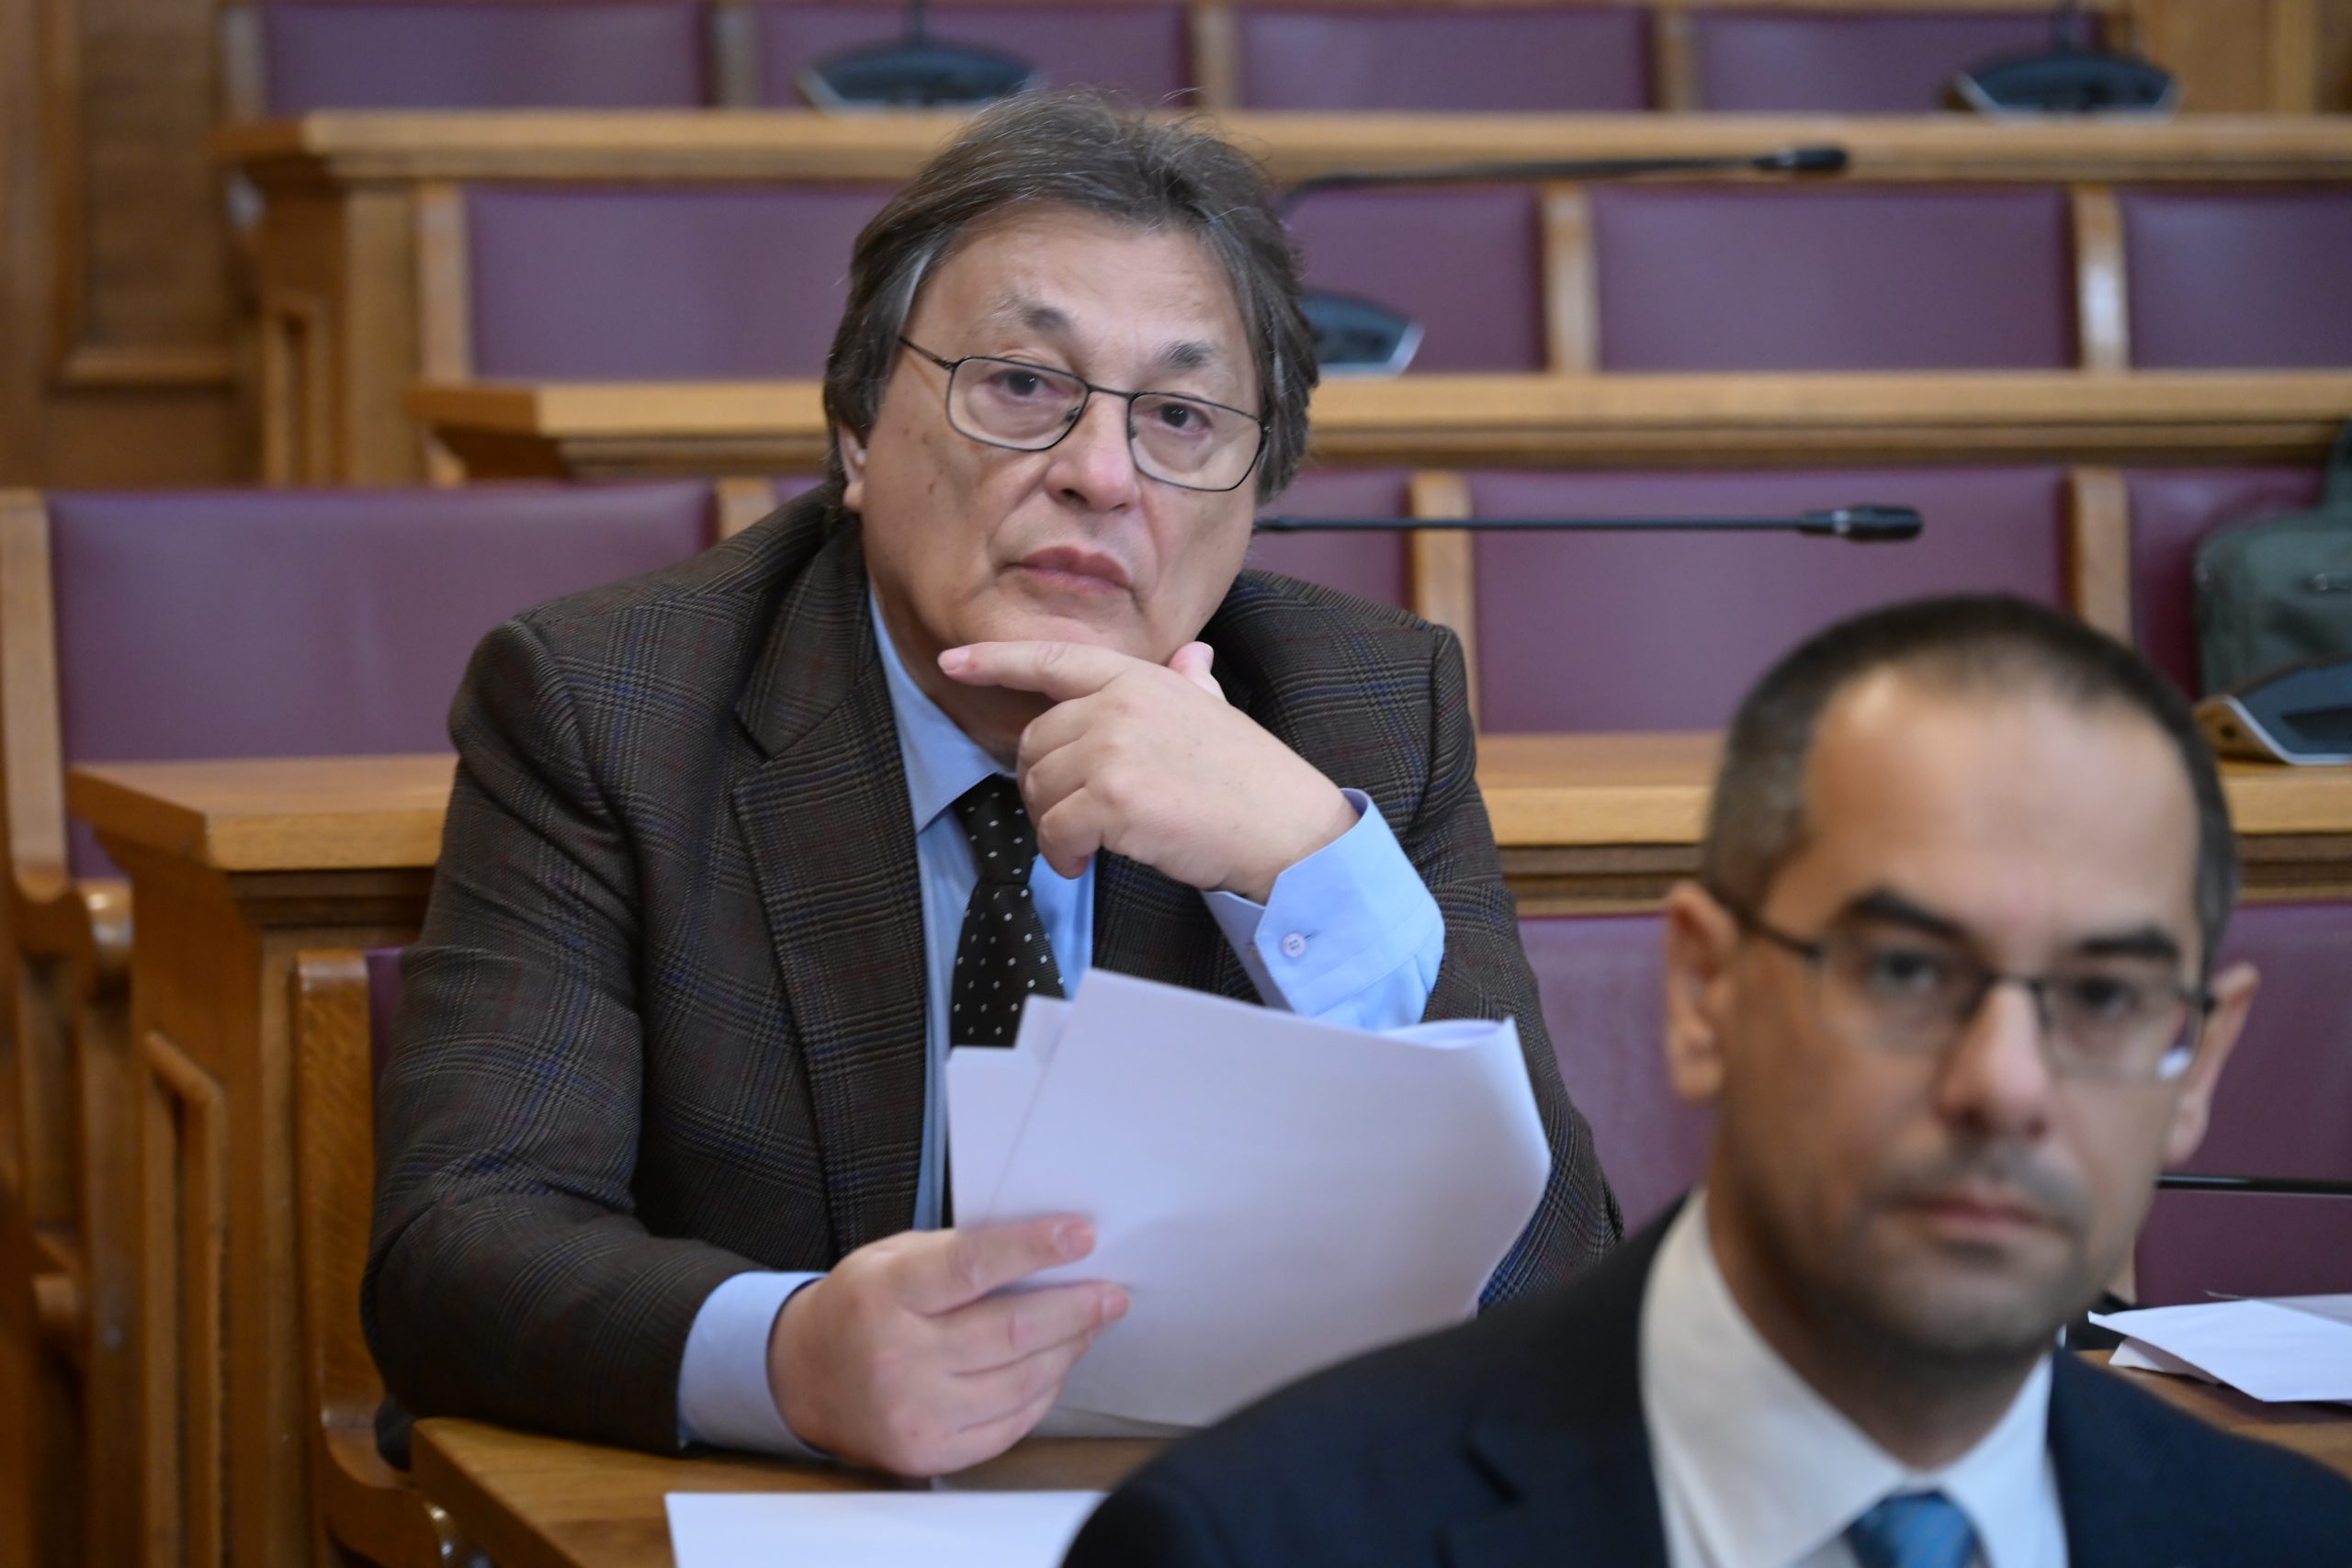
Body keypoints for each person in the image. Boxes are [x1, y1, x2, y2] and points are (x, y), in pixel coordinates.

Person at [362, 90, 1620, 1481]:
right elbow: (461, 1246)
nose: (1100, 475)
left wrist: (1311, 875)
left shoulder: (1359, 715)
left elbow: (1559, 1302)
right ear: (858, 429)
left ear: (1257, 496)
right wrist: (791, 1358)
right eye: (1022, 386)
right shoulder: (611, 707)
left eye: (1182, 417)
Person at [1067, 593, 2352, 1566]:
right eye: (1906, 972)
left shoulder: (2298, 1544)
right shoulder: (1250, 1542)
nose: (2004, 1085)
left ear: (2201, 1062)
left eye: (2106, 997)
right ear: (1703, 992)